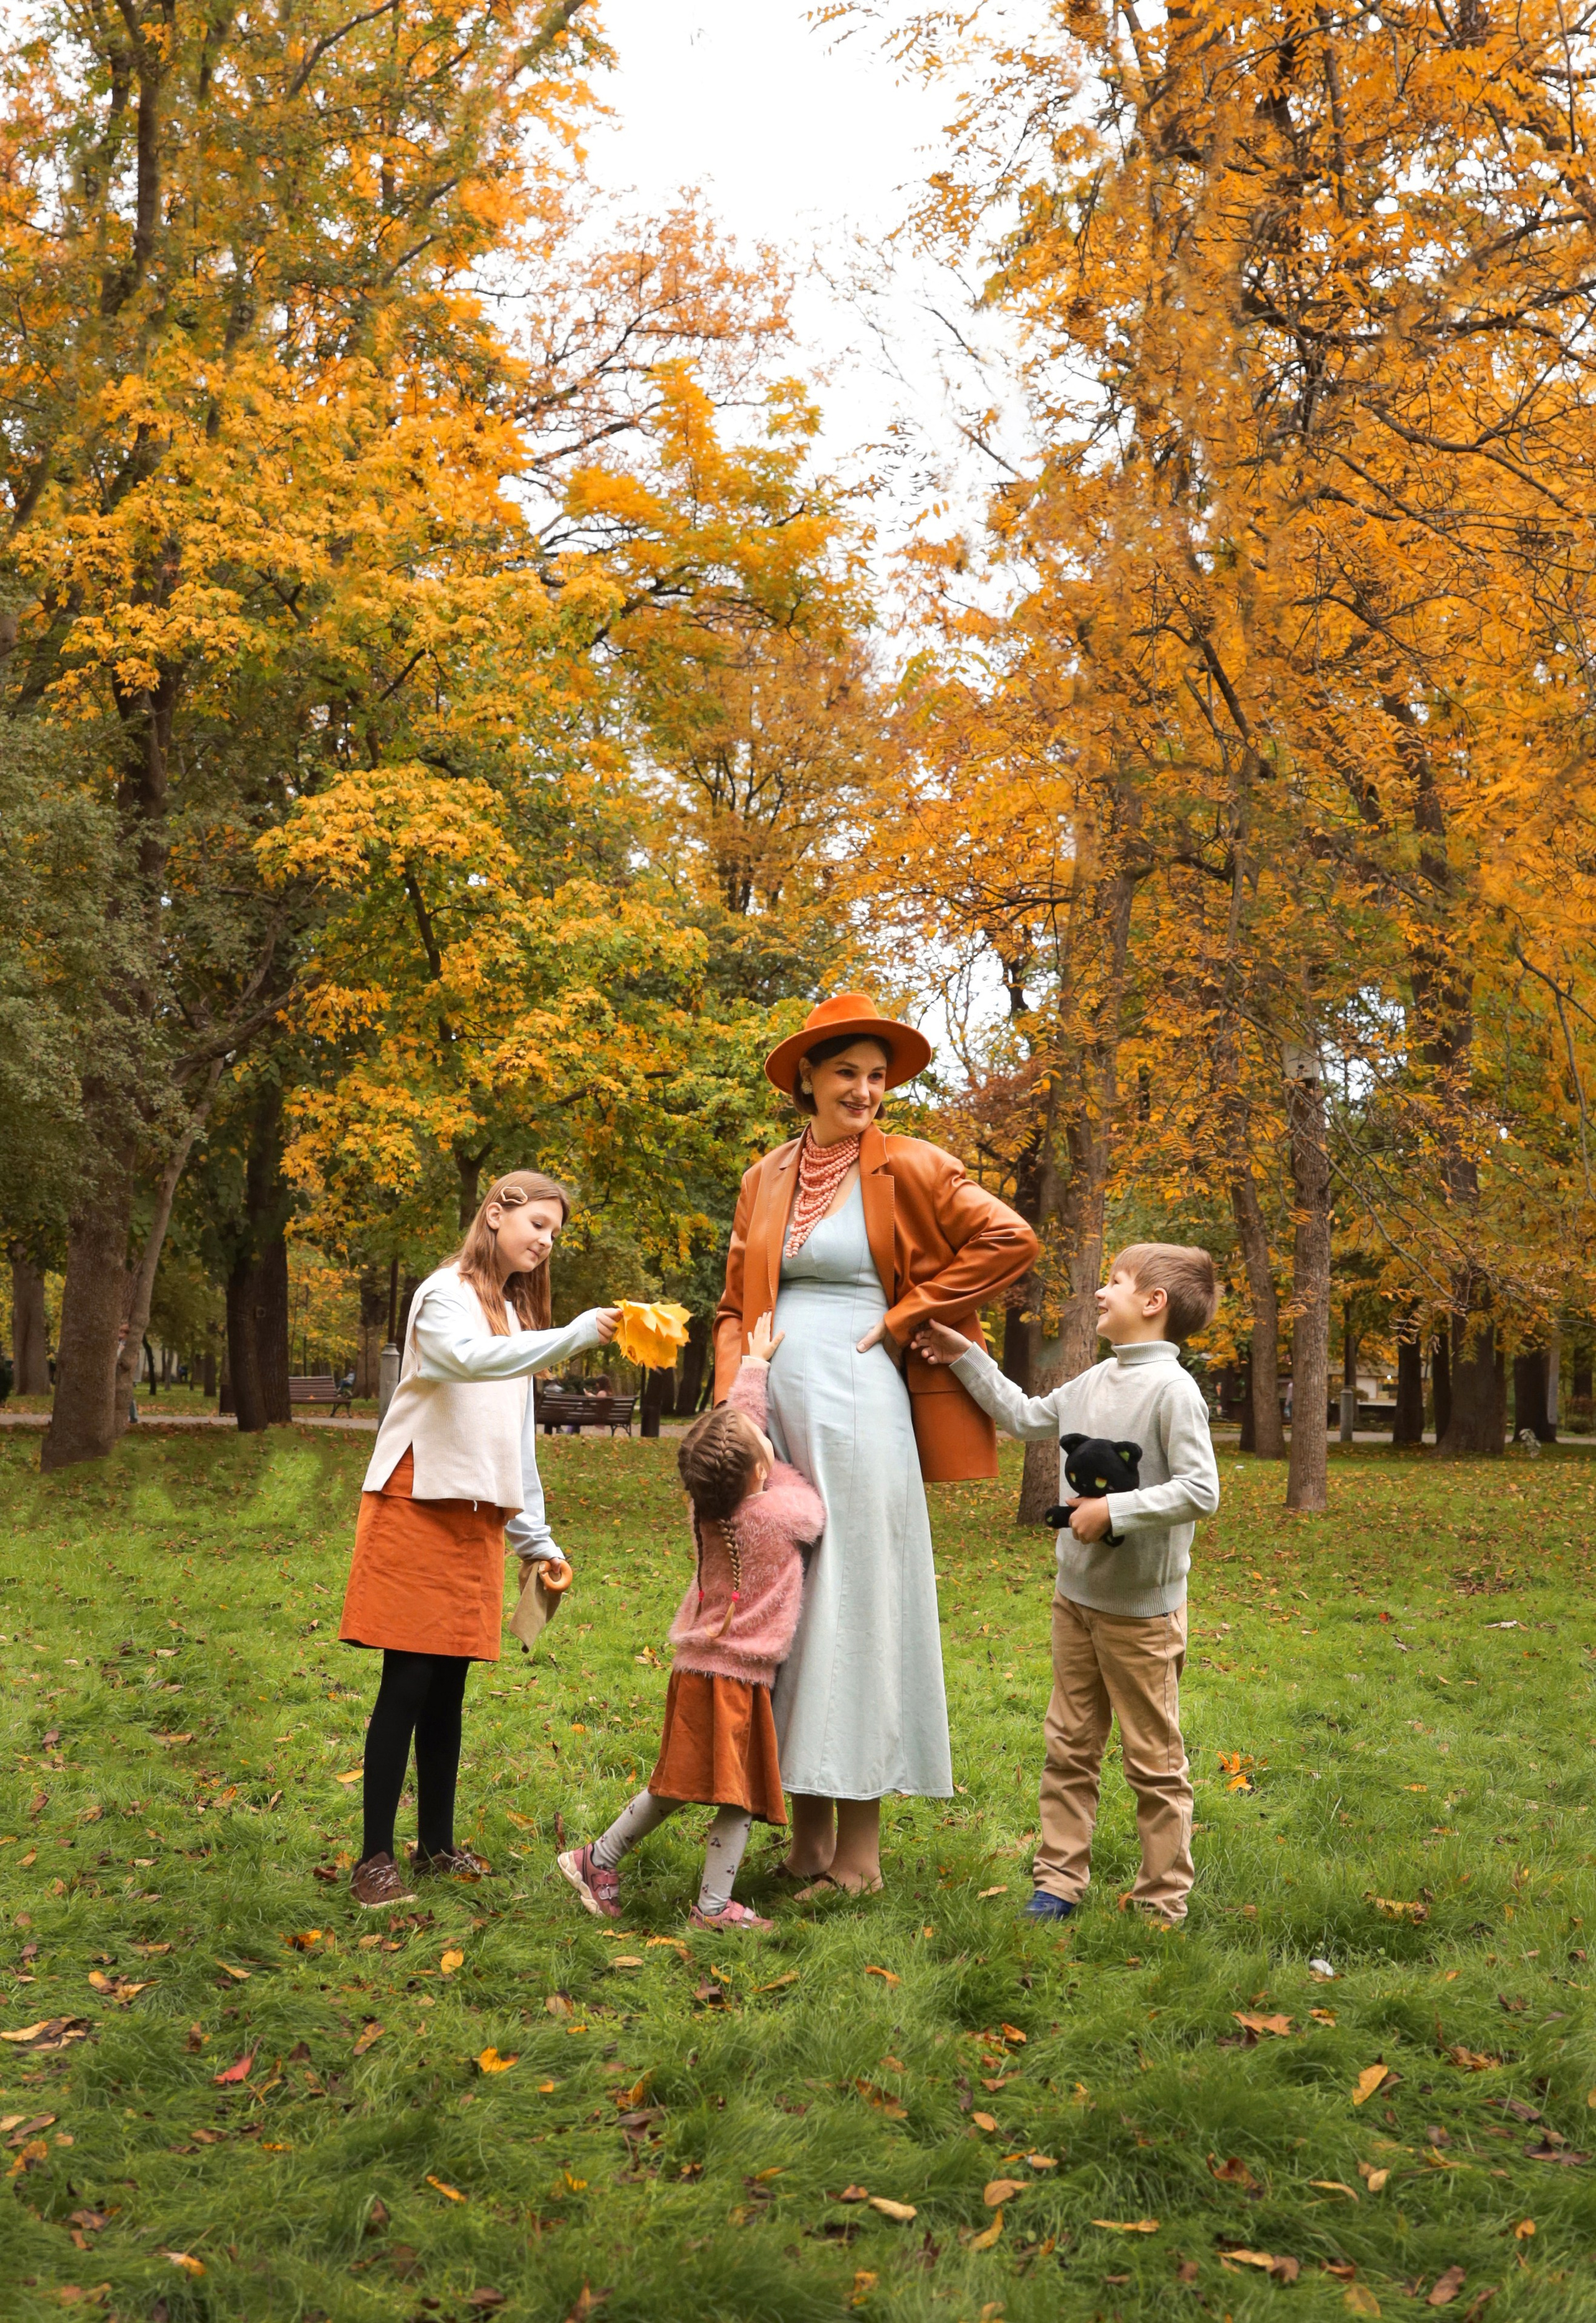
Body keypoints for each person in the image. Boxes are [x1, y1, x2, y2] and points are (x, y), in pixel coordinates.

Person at [714, 992, 1039, 1897]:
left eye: (876, 1075)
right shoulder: (766, 1175)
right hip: (773, 1404)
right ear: (807, 1080)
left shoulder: (915, 1164)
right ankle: (806, 1845)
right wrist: (734, 1407)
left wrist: (909, 1312)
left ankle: (859, 1858)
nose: (864, 1089)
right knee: (790, 1605)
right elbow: (737, 1305)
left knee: (854, 1602)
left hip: (861, 1406)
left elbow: (1011, 1237)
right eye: (847, 1072)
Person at [913, 1243, 1221, 1928]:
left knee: (1153, 1763)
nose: (1101, 1292)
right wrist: (965, 1354)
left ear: (1153, 1303)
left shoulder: (1174, 1392)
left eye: (1115, 1281)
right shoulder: (1092, 1381)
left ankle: (1161, 1900)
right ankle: (1058, 1882)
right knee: (1069, 1746)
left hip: (1142, 1616)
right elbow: (1024, 1418)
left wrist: (1111, 1509)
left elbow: (1201, 1490)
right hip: (1075, 1602)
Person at [339, 1171, 622, 1909]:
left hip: (477, 1518)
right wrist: (575, 1336)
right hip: (417, 1500)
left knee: (449, 1692)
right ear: (496, 1212)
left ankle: (434, 1846)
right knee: (405, 1684)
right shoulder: (443, 1296)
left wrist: (538, 1540)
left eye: (555, 1233)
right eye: (537, 1223)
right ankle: (373, 1859)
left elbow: (513, 1442)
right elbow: (465, 1360)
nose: (545, 1240)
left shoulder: (516, 1319)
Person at [557, 1312, 820, 1930]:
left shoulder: (709, 1505)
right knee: (738, 1795)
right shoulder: (776, 1514)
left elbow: (740, 1437)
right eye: (764, 1453)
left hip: (699, 1667)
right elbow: (812, 1510)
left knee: (676, 1784)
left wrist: (753, 1369)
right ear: (759, 1473)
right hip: (736, 1677)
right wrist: (771, 1455)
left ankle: (597, 1858)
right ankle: (709, 1907)